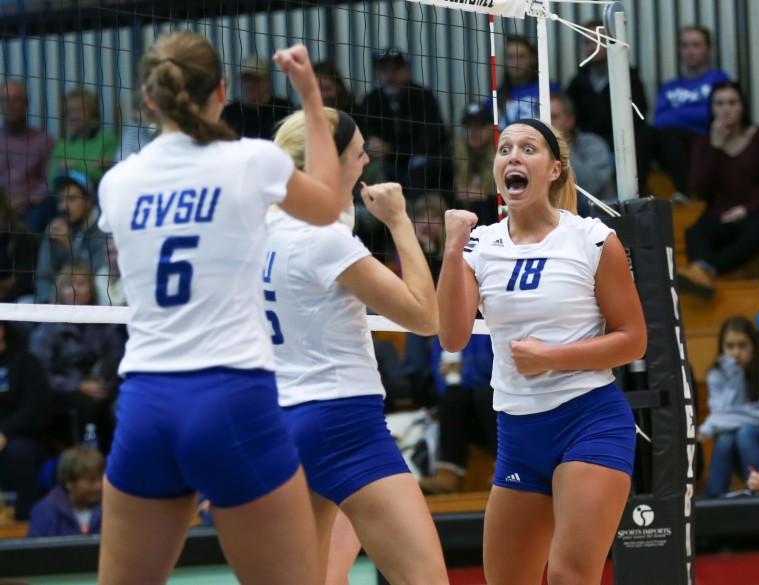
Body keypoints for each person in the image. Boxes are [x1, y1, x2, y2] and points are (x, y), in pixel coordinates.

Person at [94, 31, 349, 584]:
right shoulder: (251, 162)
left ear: (149, 99)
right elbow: (329, 205)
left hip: (145, 405)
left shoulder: (117, 184)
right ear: (223, 92)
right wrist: (309, 97)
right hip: (231, 399)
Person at [437, 118, 647, 584]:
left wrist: (552, 357)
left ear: (554, 169)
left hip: (588, 419)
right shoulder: (479, 244)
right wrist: (452, 252)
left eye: (528, 149)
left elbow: (633, 339)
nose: (513, 155)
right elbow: (451, 337)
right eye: (505, 148)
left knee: (571, 576)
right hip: (517, 432)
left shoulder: (591, 239)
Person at [268, 107, 447, 584]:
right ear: (326, 161)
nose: (367, 159)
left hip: (282, 421)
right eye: (357, 152)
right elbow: (426, 317)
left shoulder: (259, 228)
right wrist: (399, 221)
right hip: (343, 424)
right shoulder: (325, 240)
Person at [676, 81, 759, 296]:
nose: (726, 109)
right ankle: (702, 272)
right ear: (712, 109)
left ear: (742, 106)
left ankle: (706, 271)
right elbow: (698, 188)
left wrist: (748, 209)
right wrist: (715, 147)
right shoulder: (704, 143)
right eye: (719, 103)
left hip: (757, 213)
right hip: (720, 215)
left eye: (732, 102)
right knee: (695, 232)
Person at [30, 265, 124, 451]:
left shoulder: (104, 323)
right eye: (69, 285)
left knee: (120, 403)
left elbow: (116, 360)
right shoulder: (47, 328)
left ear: (91, 289)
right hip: (62, 392)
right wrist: (78, 385)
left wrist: (104, 383)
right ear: (60, 290)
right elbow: (39, 374)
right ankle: (87, 460)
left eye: (81, 284)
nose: (75, 290)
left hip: (100, 387)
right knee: (87, 405)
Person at [698, 317, 759, 497]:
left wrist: (709, 425)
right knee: (726, 436)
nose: (736, 353)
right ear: (722, 348)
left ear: (754, 345)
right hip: (739, 445)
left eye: (742, 345)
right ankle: (714, 500)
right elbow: (721, 415)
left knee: (745, 432)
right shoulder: (716, 373)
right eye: (730, 346)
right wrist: (735, 375)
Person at [642, 25, 729, 196]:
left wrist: (675, 114)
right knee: (646, 133)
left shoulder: (718, 79)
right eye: (685, 45)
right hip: (670, 144)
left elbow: (711, 115)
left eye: (696, 45)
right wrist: (692, 112)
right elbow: (658, 120)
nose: (690, 51)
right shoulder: (669, 86)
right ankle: (634, 194)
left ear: (708, 49)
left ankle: (687, 192)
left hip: (702, 141)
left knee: (667, 133)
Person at [358, 47, 451, 193]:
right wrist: (372, 146)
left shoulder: (424, 98)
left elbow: (431, 140)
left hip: (419, 165)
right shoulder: (371, 100)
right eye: (385, 70)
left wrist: (392, 150)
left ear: (407, 71)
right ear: (376, 74)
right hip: (384, 165)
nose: (390, 76)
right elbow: (365, 137)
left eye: (396, 69)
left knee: (421, 166)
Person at [419, 334, 495, 495]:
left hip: (495, 407)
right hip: (468, 415)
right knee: (453, 396)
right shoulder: (444, 332)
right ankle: (447, 472)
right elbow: (442, 383)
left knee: (484, 395)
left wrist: (465, 372)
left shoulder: (490, 324)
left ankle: (504, 468)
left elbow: (492, 371)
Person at [565, 19, 648, 152]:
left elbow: (638, 118)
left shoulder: (628, 78)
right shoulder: (577, 83)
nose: (593, 47)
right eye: (587, 42)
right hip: (587, 145)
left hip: (624, 144)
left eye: (599, 41)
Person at [0, 321, 50, 521]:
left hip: (20, 435)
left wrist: (4, 432)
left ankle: (24, 521)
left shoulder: (25, 361)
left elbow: (33, 408)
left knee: (19, 453)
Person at [34, 170, 108, 303]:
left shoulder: (104, 229)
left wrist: (69, 246)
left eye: (71, 199)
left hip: (93, 302)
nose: (64, 206)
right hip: (56, 302)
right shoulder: (55, 228)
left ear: (88, 201)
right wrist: (51, 303)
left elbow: (97, 276)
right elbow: (43, 276)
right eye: (60, 200)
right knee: (23, 302)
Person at [0, 80, 54, 229]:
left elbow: (50, 181)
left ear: (26, 105)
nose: (9, 105)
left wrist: (27, 199)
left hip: (32, 208)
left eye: (16, 100)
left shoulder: (44, 141)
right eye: (4, 100)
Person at [549, 93, 613, 206]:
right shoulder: (536, 151)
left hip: (594, 215)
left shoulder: (593, 144)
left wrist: (563, 150)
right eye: (544, 117)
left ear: (570, 121)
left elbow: (590, 186)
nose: (548, 123)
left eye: (554, 117)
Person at [27, 446, 104, 537]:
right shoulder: (45, 512)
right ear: (70, 483)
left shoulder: (113, 506)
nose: (100, 485)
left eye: (101, 478)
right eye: (91, 480)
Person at [49, 88, 118, 188]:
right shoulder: (61, 146)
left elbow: (108, 179)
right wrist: (90, 168)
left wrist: (73, 166)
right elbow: (51, 183)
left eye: (80, 110)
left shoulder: (108, 140)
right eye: (70, 111)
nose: (73, 116)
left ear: (92, 113)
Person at [221, 55, 295, 139]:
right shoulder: (229, 113)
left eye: (256, 80)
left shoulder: (284, 110)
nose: (250, 85)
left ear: (268, 81)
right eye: (247, 79)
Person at [497, 37, 559, 127]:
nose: (515, 62)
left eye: (521, 57)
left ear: (532, 59)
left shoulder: (548, 88)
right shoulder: (497, 95)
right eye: (510, 57)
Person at [453, 102, 498, 222]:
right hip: (461, 220)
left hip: (493, 219)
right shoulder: (452, 153)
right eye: (468, 126)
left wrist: (486, 197)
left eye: (480, 126)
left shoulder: (503, 154)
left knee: (481, 205)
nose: (473, 131)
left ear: (491, 128)